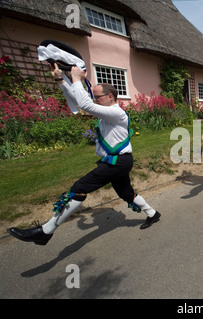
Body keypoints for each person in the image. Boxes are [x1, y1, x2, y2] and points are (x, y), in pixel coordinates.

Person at [7, 64, 161, 245]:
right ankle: (153, 213)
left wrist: (77, 78)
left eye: (98, 97)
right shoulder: (107, 113)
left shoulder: (115, 112)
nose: (95, 100)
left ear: (110, 96)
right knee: (126, 193)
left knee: (79, 188)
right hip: (118, 161)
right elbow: (78, 98)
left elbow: (84, 104)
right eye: (94, 97)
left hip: (117, 162)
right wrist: (60, 79)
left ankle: (45, 231)